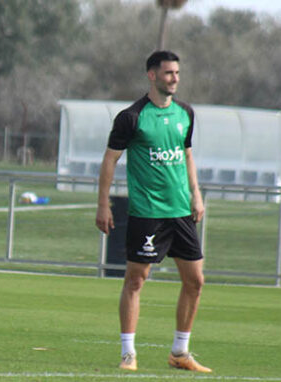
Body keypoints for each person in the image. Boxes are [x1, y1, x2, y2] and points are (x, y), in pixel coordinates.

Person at [95, 51, 211, 373]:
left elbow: (187, 154)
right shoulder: (132, 117)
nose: (175, 78)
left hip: (180, 212)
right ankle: (128, 353)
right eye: (169, 73)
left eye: (177, 73)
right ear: (152, 75)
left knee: (195, 281)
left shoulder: (185, 113)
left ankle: (180, 352)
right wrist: (103, 203)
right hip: (148, 212)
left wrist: (196, 195)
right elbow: (109, 160)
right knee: (136, 279)